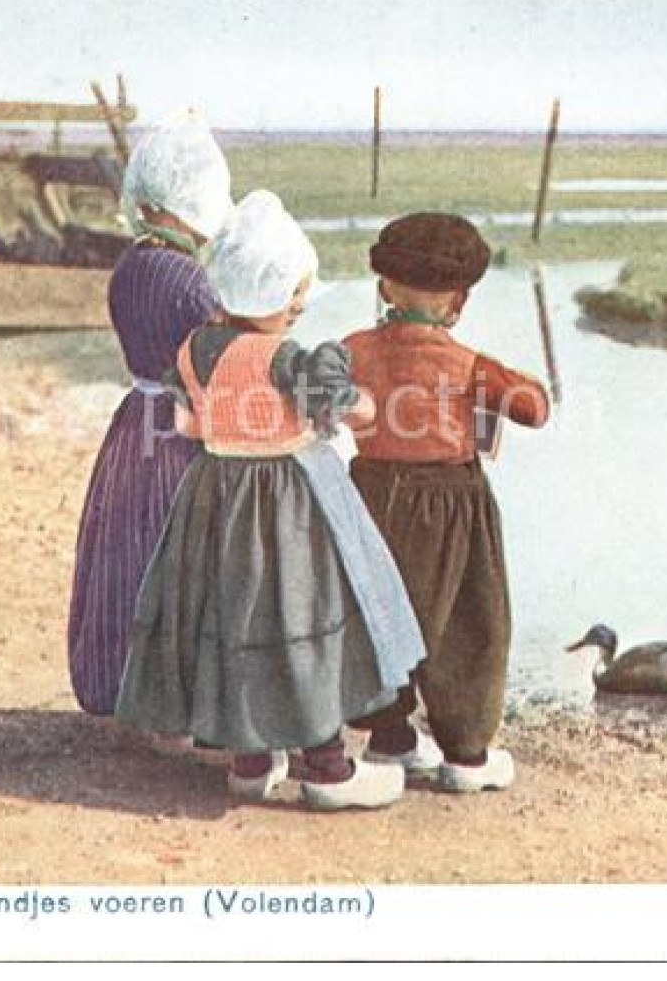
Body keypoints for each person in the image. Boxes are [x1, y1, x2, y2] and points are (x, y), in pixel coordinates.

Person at [115, 191, 427, 809]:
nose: (298, 308)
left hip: (214, 494)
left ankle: (251, 759)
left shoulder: (196, 348)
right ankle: (326, 767)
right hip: (290, 499)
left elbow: (184, 423)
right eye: (296, 297)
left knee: (232, 615)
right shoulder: (289, 358)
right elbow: (355, 410)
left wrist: (232, 426)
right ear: (282, 295)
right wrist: (349, 398)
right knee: (302, 618)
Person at [341, 212, 551, 793]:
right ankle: (466, 755)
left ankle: (390, 735)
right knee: (466, 621)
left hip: (369, 495)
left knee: (379, 613)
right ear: (457, 302)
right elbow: (534, 408)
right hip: (452, 504)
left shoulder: (353, 349)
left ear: (385, 286)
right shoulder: (467, 365)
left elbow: (314, 398)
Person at [66, 109, 230, 718]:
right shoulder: (189, 278)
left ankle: (116, 682)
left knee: (124, 553)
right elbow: (219, 354)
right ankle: (172, 696)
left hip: (135, 418)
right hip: (178, 428)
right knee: (173, 552)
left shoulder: (129, 265)